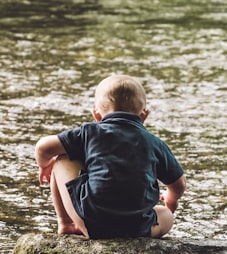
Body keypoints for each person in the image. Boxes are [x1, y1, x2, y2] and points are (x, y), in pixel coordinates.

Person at [35, 74, 186, 239]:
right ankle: (137, 228)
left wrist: (45, 166)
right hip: (137, 229)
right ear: (144, 116)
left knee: (62, 158)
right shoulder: (155, 144)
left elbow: (43, 147)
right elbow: (179, 184)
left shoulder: (89, 133)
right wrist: (171, 200)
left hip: (93, 225)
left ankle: (66, 223)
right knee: (166, 216)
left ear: (97, 116)